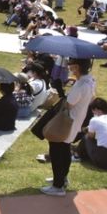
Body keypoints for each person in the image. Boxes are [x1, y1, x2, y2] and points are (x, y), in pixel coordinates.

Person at [41, 58, 95, 196]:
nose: (69, 67)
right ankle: (61, 179)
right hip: (74, 121)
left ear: (76, 67)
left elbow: (68, 105)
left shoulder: (81, 84)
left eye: (71, 65)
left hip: (67, 122)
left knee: (57, 150)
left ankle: (58, 186)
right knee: (64, 149)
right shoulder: (89, 81)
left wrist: (63, 92)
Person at [75, 97, 107, 170]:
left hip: (105, 162)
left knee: (87, 137)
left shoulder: (95, 120)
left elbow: (90, 135)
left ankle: (77, 154)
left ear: (96, 109)